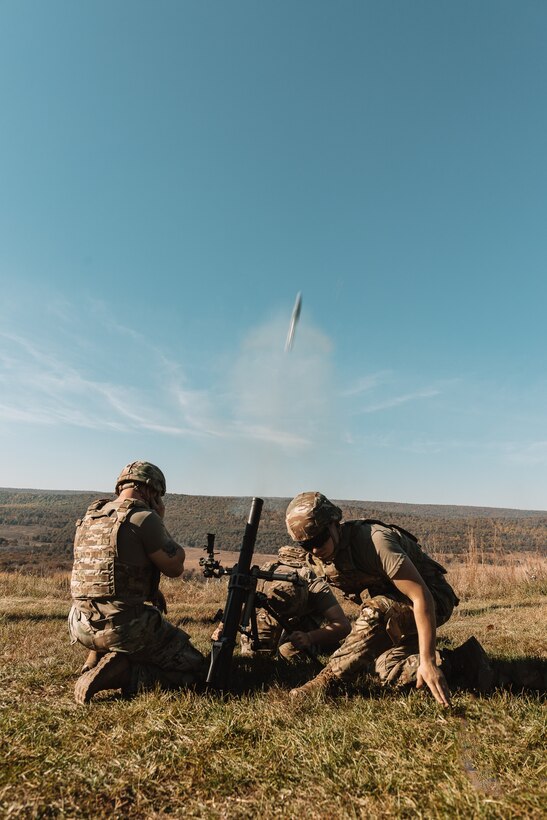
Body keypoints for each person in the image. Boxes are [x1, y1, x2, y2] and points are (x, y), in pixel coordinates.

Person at [285, 492, 492, 706]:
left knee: (374, 612)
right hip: (394, 611)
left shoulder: (373, 541)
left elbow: (422, 596)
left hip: (433, 600)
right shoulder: (319, 557)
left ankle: (326, 681)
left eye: (319, 539)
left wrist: (428, 661)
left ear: (334, 524)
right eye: (307, 545)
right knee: (382, 669)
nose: (315, 549)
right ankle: (462, 663)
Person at [69, 461, 207, 704]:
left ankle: (97, 657)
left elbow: (104, 575)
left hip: (80, 624)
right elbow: (175, 567)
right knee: (196, 669)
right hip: (123, 628)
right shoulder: (143, 517)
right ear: (151, 490)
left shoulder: (91, 516)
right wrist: (159, 520)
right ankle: (125, 674)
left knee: (111, 609)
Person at [237, 545, 351, 660]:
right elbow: (241, 608)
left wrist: (309, 638)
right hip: (263, 628)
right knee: (255, 655)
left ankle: (323, 645)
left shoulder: (314, 585)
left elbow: (343, 626)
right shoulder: (263, 576)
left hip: (297, 635)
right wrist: (222, 628)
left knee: (285, 655)